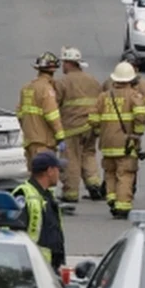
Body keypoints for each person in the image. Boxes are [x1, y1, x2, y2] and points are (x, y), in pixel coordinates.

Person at [90, 61, 145, 219]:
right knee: (125, 174)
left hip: (107, 144)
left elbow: (93, 119)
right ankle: (122, 207)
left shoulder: (104, 96)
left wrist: (101, 132)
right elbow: (141, 116)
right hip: (126, 144)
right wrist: (137, 134)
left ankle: (112, 199)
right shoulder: (134, 95)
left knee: (110, 173)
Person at [55, 47, 103, 207]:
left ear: (69, 63)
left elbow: (54, 104)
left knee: (71, 159)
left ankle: (71, 193)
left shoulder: (62, 82)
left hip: (72, 127)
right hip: (91, 126)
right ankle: (94, 184)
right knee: (88, 154)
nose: (62, 66)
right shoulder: (93, 80)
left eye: (64, 62)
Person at [12, 152, 66, 270]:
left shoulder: (47, 195)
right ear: (50, 171)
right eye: (58, 169)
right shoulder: (24, 195)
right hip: (32, 266)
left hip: (48, 266)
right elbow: (15, 232)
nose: (59, 174)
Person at [18, 52, 66, 170]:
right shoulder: (46, 89)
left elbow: (19, 114)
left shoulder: (26, 87)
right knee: (45, 175)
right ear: (53, 70)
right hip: (43, 143)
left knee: (34, 174)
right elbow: (52, 115)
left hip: (30, 141)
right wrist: (60, 136)